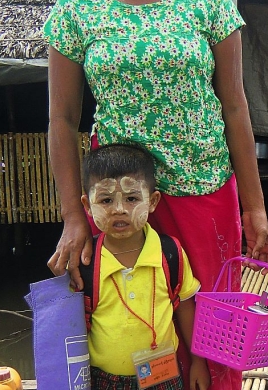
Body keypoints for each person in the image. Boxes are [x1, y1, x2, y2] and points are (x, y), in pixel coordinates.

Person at [43, 0, 268, 390]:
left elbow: (235, 107)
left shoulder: (207, 0)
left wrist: (255, 208)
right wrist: (74, 215)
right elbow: (61, 117)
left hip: (205, 194)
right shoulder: (77, 8)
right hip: (121, 203)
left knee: (214, 339)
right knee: (128, 334)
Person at [71, 144, 206, 390]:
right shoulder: (85, 262)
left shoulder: (170, 253)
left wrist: (198, 361)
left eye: (132, 198)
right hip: (104, 381)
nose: (119, 209)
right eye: (106, 200)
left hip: (163, 377)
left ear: (152, 201)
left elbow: (186, 308)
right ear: (87, 206)